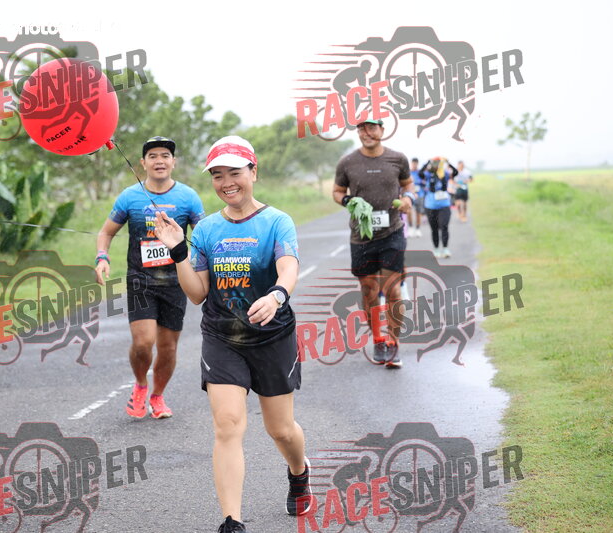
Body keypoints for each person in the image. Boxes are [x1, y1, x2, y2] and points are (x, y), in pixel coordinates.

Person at [153, 136, 311, 533]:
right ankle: (232, 521)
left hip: (272, 336)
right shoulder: (207, 229)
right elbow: (196, 293)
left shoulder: (277, 221)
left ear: (253, 172)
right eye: (217, 175)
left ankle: (298, 471)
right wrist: (178, 251)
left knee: (281, 430)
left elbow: (288, 267)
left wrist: (276, 295)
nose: (226, 182)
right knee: (227, 425)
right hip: (223, 337)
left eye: (234, 173)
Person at [95, 136, 204, 419]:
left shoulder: (188, 197)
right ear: (143, 163)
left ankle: (157, 396)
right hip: (140, 281)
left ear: (173, 162)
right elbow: (106, 232)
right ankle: (141, 384)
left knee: (168, 347)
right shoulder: (130, 197)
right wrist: (102, 257)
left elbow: (203, 236)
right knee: (143, 342)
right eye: (153, 156)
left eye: (165, 155)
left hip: (175, 283)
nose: (159, 161)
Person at [332, 118, 414, 368]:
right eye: (361, 128)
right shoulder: (347, 162)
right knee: (368, 290)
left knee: (393, 290)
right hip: (361, 237)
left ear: (382, 130)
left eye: (371, 127)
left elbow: (408, 185)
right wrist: (349, 202)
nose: (366, 132)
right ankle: (378, 340)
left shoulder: (397, 159)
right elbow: (337, 191)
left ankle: (393, 343)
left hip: (392, 233)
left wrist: (408, 199)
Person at [419, 157, 459, 258]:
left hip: (444, 205)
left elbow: (455, 172)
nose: (437, 165)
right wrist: (428, 162)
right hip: (430, 206)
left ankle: (445, 249)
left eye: (438, 163)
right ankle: (436, 249)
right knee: (434, 229)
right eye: (435, 163)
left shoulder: (445, 174)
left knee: (444, 226)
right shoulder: (428, 174)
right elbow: (420, 173)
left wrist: (448, 163)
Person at [409, 157, 424, 237]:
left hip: (419, 194)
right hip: (410, 194)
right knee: (409, 211)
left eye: (416, 164)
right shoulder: (408, 172)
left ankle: (418, 229)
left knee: (418, 212)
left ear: (417, 164)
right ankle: (411, 228)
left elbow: (424, 182)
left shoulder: (420, 172)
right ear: (411, 163)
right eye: (413, 163)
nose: (414, 165)